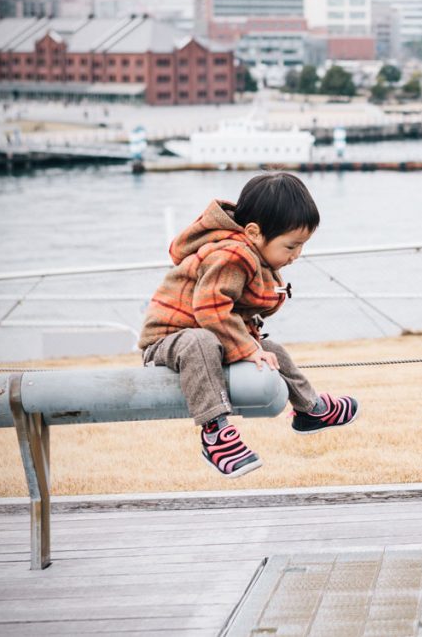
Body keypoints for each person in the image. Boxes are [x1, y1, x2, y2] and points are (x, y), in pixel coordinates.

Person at [139, 172, 359, 478]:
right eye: (291, 246)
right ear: (255, 232)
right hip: (170, 341)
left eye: (301, 247)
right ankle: (215, 433)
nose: (297, 256)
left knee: (271, 350)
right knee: (201, 342)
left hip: (208, 336)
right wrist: (245, 348)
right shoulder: (233, 253)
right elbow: (211, 308)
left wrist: (254, 347)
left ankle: (311, 409)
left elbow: (231, 313)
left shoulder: (251, 254)